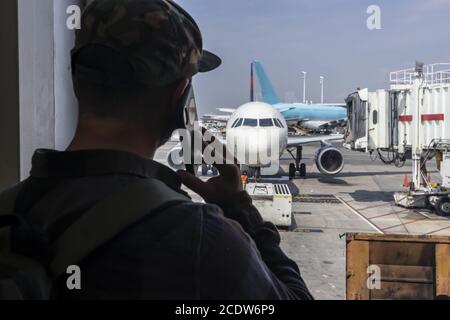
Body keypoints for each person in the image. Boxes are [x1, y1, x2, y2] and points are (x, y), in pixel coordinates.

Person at [0, 0, 313, 300]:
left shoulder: (10, 211)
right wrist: (240, 209)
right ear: (180, 97)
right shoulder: (201, 238)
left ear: (77, 82)